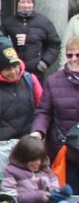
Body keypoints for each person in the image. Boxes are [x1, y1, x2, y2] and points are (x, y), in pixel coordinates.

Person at [31, 37, 79, 190]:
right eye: (69, 55)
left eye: (78, 55)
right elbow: (44, 112)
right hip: (64, 151)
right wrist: (38, 132)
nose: (73, 59)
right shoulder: (53, 81)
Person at [0, 44, 42, 143]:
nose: (13, 72)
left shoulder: (30, 79)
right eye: (7, 69)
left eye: (15, 66)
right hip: (3, 143)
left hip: (30, 140)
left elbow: (42, 108)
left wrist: (37, 132)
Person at [0, 0, 61, 81]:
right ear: (17, 4)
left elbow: (55, 44)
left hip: (36, 72)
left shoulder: (44, 22)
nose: (26, 5)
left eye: (29, 2)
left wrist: (44, 63)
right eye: (22, 2)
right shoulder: (7, 23)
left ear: (33, 4)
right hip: (13, 71)